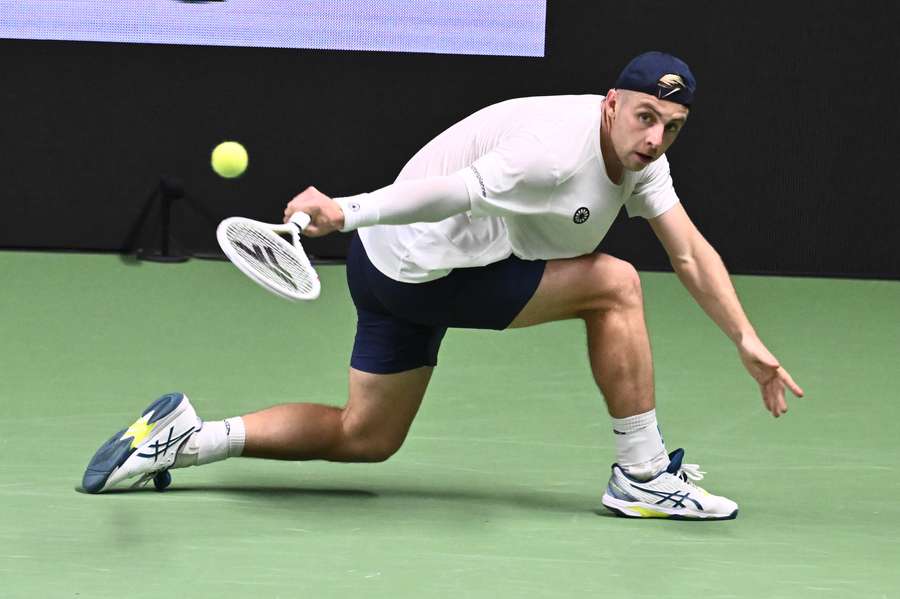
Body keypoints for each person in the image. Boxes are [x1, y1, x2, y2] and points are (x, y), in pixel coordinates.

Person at [82, 51, 804, 520]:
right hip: (422, 266)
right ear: (611, 103)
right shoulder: (550, 153)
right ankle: (643, 473)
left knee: (365, 435)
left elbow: (690, 252)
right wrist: (345, 210)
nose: (654, 138)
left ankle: (186, 438)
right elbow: (447, 192)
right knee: (613, 285)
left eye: (671, 127)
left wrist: (745, 337)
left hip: (403, 268)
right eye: (645, 117)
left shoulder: (643, 159)